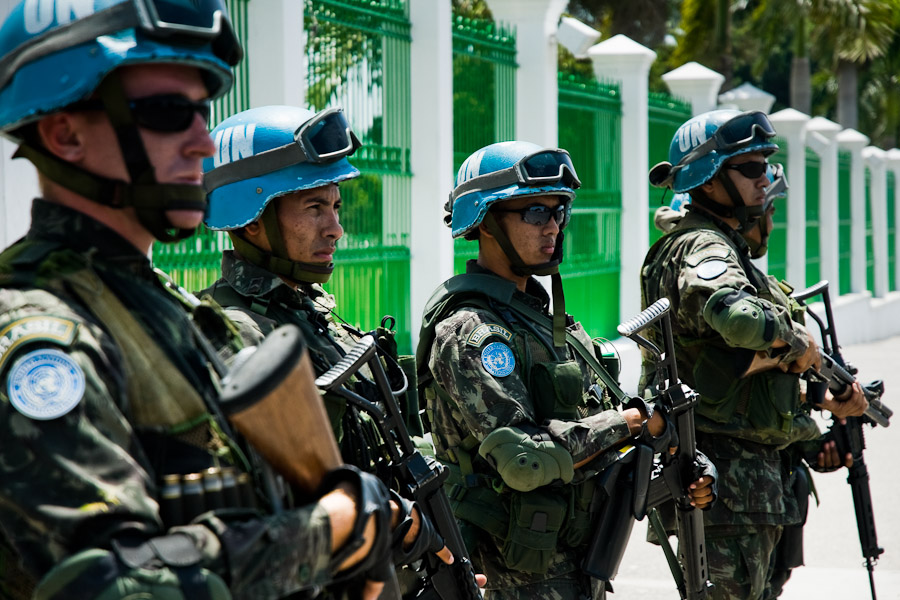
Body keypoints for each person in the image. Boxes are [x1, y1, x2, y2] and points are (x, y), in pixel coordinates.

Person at [0, 2, 394, 598]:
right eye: (167, 114)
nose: (203, 146)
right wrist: (334, 532)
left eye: (202, 113)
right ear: (64, 134)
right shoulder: (41, 336)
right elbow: (124, 583)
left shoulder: (182, 315)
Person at [416, 140, 716, 600]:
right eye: (535, 212)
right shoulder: (470, 331)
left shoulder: (540, 320)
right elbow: (524, 460)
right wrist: (629, 422)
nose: (553, 226)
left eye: (560, 212)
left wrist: (683, 463)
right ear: (485, 220)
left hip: (575, 559)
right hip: (514, 577)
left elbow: (602, 421)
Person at [200, 105, 467, 595]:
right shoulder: (236, 335)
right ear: (252, 218)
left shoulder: (311, 311)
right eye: (313, 208)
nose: (335, 229)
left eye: (335, 206)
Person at [642, 109, 869, 600]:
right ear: (709, 177)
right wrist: (797, 342)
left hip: (752, 490)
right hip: (722, 490)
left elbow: (742, 380)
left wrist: (817, 418)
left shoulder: (726, 249)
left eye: (766, 164)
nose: (765, 179)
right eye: (750, 168)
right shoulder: (703, 246)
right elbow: (739, 319)